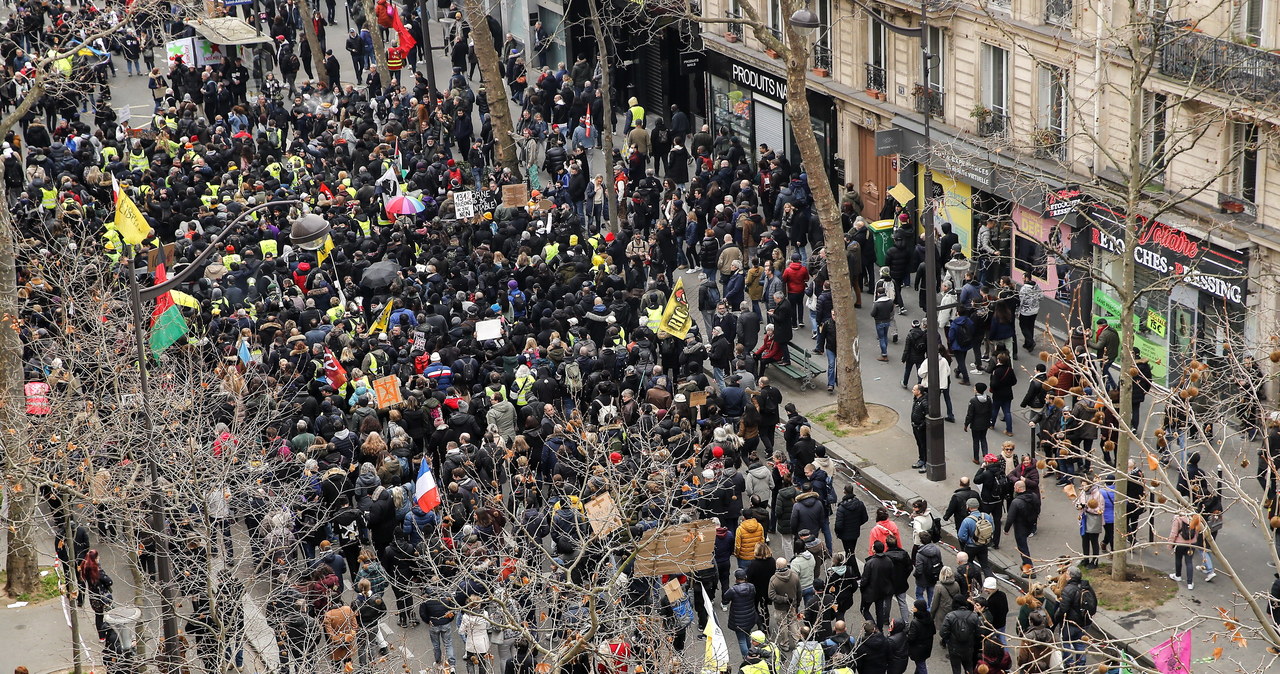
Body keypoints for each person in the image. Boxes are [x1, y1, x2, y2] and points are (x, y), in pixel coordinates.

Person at [939, 597, 981, 674]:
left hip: (954, 648)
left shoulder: (950, 616)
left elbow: (943, 633)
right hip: (968, 647)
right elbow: (978, 633)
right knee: (968, 667)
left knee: (956, 669)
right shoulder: (974, 616)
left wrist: (949, 640)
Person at [957, 498, 994, 570]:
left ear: (969, 507)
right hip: (983, 545)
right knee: (985, 566)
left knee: (968, 566)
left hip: (970, 547)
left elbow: (961, 536)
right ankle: (990, 579)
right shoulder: (987, 516)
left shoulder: (967, 520)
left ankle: (971, 579)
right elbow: (992, 529)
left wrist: (969, 541)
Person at [964, 383, 994, 465]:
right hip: (985, 423)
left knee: (976, 440)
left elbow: (970, 414)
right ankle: (986, 457)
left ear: (977, 390)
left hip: (976, 424)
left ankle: (976, 458)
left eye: (975, 388)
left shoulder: (973, 401)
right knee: (983, 438)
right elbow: (991, 411)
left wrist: (966, 424)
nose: (974, 389)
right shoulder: (988, 398)